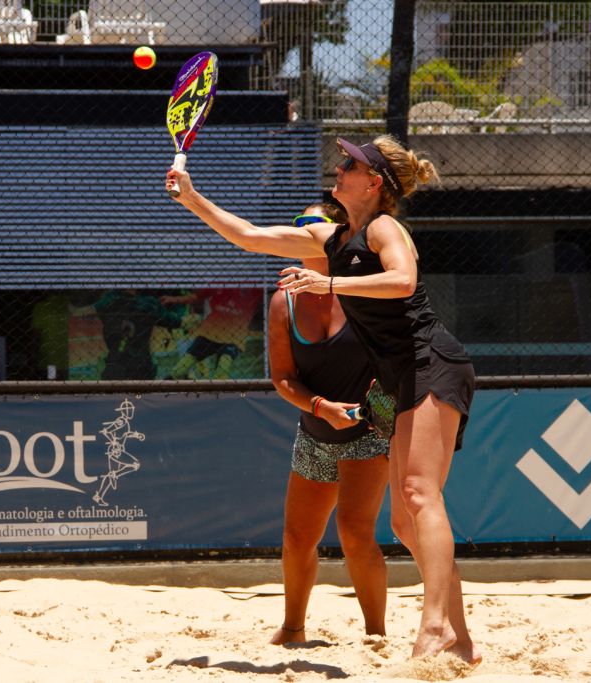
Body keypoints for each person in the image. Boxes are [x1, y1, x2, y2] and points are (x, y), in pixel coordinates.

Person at [165, 135, 480, 664]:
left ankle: (434, 627)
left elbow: (403, 281)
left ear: (373, 182)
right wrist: (193, 199)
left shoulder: (383, 227)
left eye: (350, 164)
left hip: (432, 364)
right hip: (401, 375)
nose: (338, 167)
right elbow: (250, 236)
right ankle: (463, 641)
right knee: (405, 521)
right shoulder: (333, 238)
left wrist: (327, 283)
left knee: (418, 495)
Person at [266, 202, 390, 646]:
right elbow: (282, 378)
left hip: (366, 433)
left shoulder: (366, 291)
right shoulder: (284, 301)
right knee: (298, 538)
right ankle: (293, 628)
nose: (301, 232)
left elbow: (400, 358)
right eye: (297, 224)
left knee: (356, 535)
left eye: (312, 224)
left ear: (337, 236)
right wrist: (321, 408)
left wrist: (381, 407)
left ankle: (376, 636)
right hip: (317, 431)